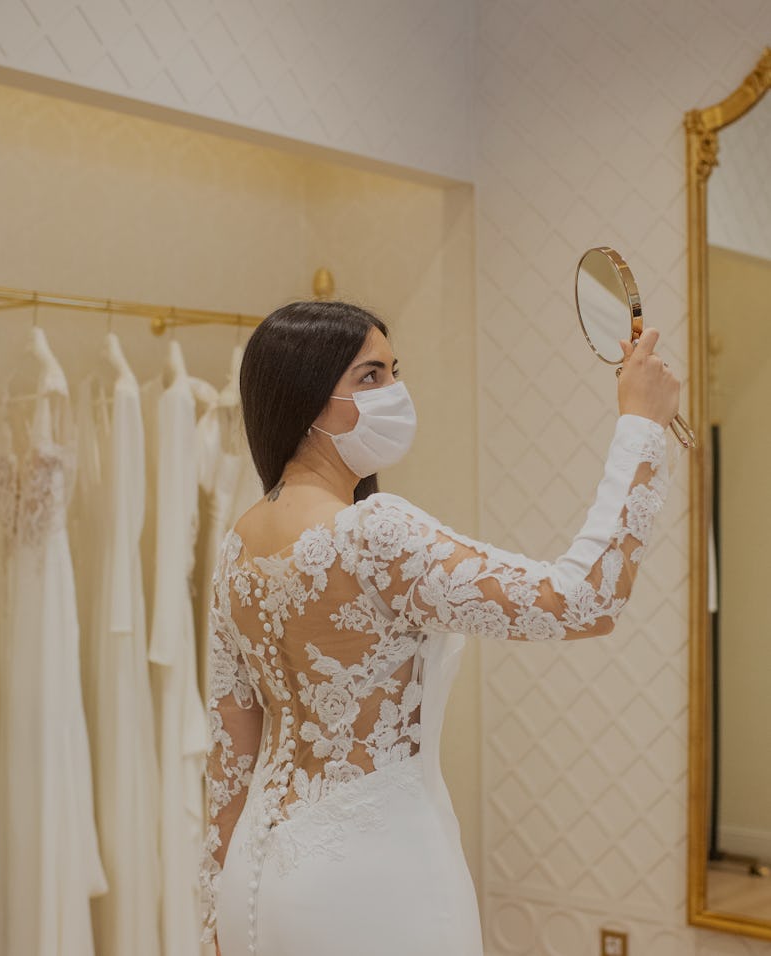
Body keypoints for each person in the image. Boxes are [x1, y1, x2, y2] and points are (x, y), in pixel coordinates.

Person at [199, 300, 679, 956]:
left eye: (396, 372)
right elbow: (585, 599)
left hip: (261, 879)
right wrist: (640, 427)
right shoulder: (374, 532)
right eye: (371, 378)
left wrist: (219, 912)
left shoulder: (240, 544)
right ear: (309, 401)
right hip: (376, 879)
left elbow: (230, 763)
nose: (396, 393)